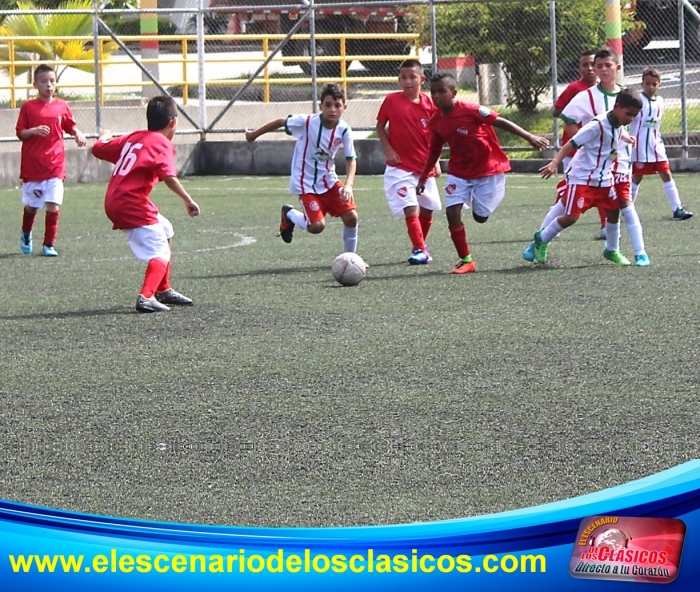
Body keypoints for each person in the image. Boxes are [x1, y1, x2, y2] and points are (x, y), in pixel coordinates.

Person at [525, 46, 650, 266]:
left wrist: (625, 139)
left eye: (607, 65)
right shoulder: (592, 111)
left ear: (617, 68)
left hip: (609, 172)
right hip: (583, 173)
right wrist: (556, 161)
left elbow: (618, 128)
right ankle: (540, 239)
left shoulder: (623, 103)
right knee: (568, 212)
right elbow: (570, 130)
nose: (602, 69)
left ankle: (617, 250)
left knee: (616, 210)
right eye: (598, 65)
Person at [416, 72, 549, 274]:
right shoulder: (436, 121)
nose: (436, 96)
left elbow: (500, 121)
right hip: (459, 172)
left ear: (454, 93)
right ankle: (466, 260)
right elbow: (434, 150)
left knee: (480, 217)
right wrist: (424, 176)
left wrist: (529, 136)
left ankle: (486, 202)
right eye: (433, 92)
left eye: (441, 91)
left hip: (487, 169)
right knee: (452, 212)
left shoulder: (471, 110)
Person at [91, 95, 200, 313]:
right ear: (173, 122)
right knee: (160, 251)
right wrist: (188, 200)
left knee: (166, 229)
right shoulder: (161, 143)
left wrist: (104, 136)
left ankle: (163, 289)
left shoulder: (134, 138)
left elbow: (98, 148)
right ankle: (146, 296)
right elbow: (169, 176)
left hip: (116, 199)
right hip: (129, 202)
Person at [245, 83, 358, 254]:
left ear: (345, 108)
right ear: (320, 106)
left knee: (351, 217)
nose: (332, 109)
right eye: (328, 105)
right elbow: (279, 122)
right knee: (317, 227)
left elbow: (351, 159)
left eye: (337, 105)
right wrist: (253, 135)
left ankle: (350, 258)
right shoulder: (307, 122)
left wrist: (348, 185)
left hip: (329, 181)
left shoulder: (344, 130)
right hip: (306, 184)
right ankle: (289, 214)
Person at [16, 64, 86, 257]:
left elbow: (70, 124)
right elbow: (20, 132)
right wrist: (33, 131)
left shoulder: (62, 106)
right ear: (35, 84)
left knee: (53, 204)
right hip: (33, 166)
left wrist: (77, 133)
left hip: (55, 165)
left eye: (52, 81)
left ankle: (48, 244)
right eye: (44, 81)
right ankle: (26, 233)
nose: (48, 85)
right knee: (32, 206)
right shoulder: (28, 107)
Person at [376, 59, 441, 265]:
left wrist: (436, 161)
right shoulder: (391, 101)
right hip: (400, 167)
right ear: (399, 80)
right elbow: (380, 126)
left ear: (422, 79)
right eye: (403, 77)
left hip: (423, 167)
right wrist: (389, 149)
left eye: (412, 77)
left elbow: (437, 135)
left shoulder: (430, 104)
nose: (408, 81)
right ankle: (421, 249)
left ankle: (419, 246)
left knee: (428, 208)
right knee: (410, 206)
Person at [630, 67, 693, 220]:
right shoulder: (637, 102)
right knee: (637, 177)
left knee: (666, 173)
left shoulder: (660, 101)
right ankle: (627, 209)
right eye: (647, 83)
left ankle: (677, 209)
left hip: (656, 146)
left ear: (659, 85)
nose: (650, 87)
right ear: (642, 84)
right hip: (640, 149)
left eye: (654, 84)